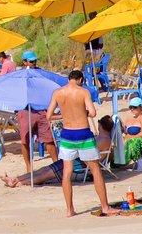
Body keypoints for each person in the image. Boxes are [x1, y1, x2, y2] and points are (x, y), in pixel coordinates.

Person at [47, 70, 117, 217]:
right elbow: (92, 113)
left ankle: (69, 210)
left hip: (67, 135)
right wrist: (81, 112)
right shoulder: (83, 92)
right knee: (95, 169)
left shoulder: (57, 93)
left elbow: (49, 116)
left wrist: (65, 114)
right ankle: (105, 206)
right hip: (83, 133)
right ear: (79, 79)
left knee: (67, 172)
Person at [2, 117, 114, 188]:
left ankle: (17, 183)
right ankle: (16, 178)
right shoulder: (100, 137)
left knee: (46, 174)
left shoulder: (105, 140)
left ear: (101, 126)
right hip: (76, 161)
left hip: (80, 166)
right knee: (44, 169)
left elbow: (92, 158)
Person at [121, 97, 142, 163]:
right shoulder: (129, 118)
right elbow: (124, 131)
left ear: (140, 107)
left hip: (138, 141)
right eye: (130, 107)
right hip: (128, 140)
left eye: (134, 107)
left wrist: (130, 137)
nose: (132, 109)